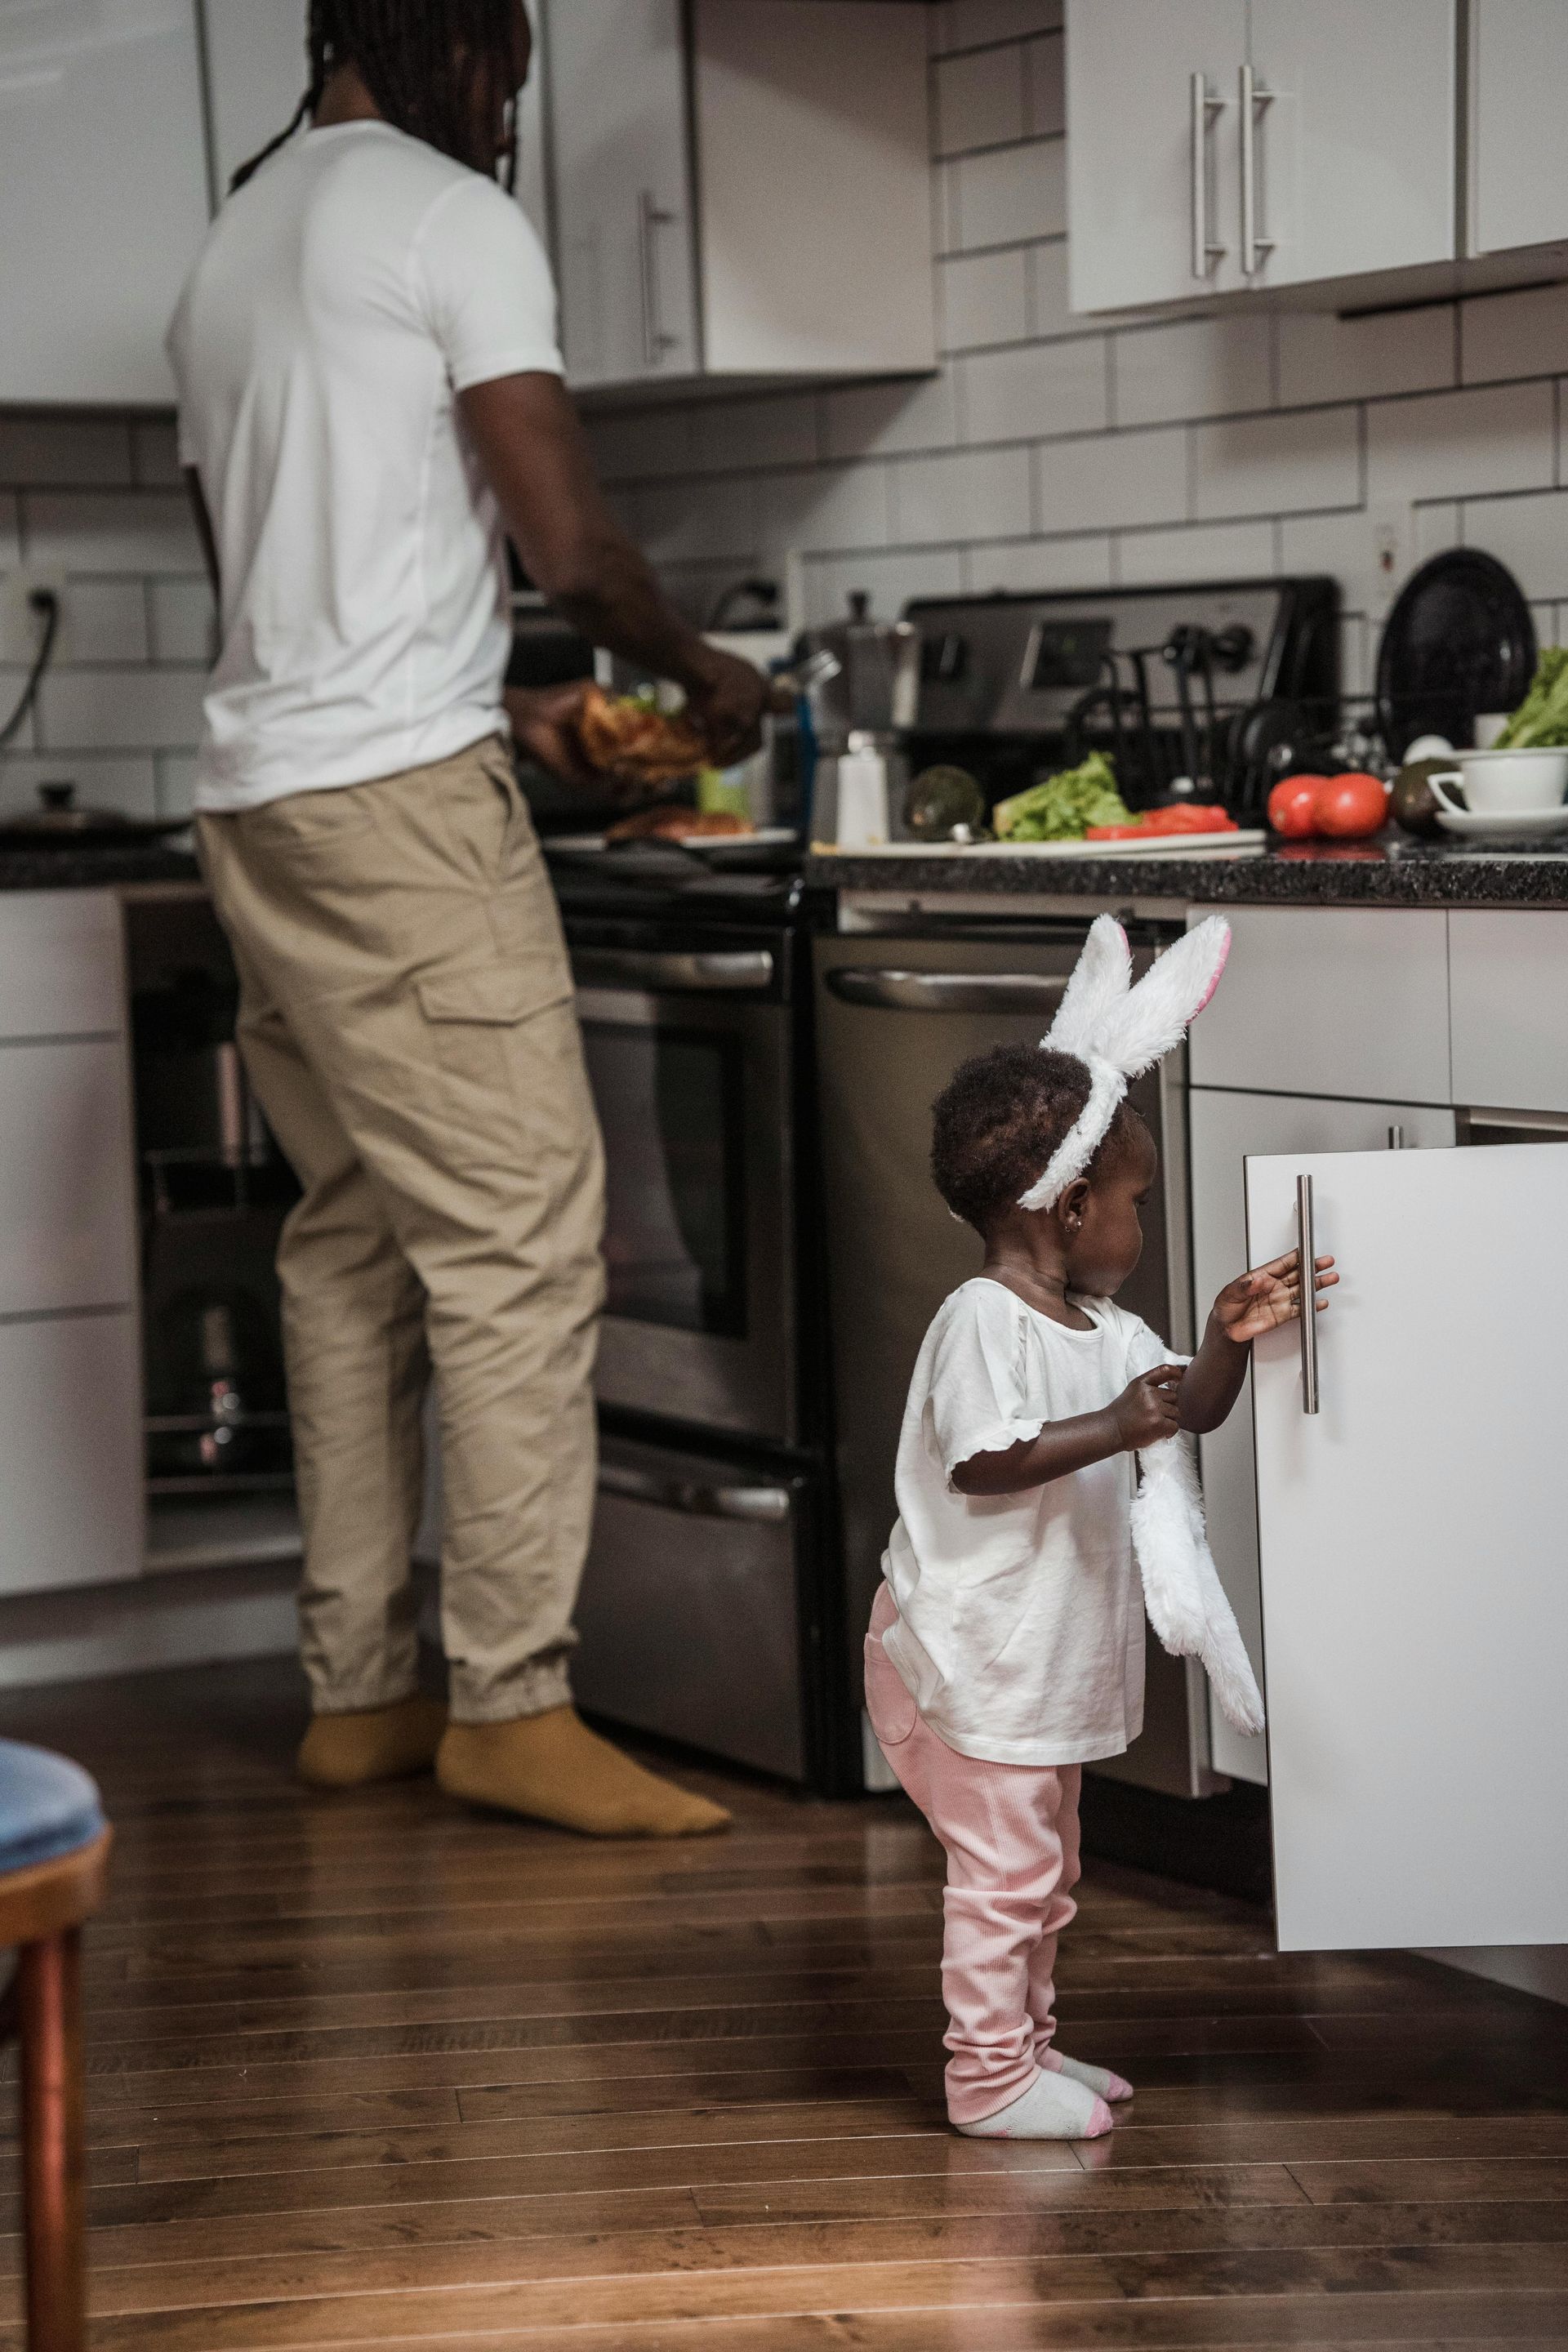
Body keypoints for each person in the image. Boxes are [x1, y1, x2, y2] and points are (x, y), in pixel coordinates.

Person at [166, 0, 768, 1838]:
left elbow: (281, 588)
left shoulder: (232, 244)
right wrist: (709, 676)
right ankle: (512, 1700)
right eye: (501, 63)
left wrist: (476, 702)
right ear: (442, 47)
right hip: (402, 821)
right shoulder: (445, 215)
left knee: (351, 1235)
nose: (509, 99)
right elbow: (570, 553)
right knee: (516, 1239)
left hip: (260, 800)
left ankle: (361, 1690)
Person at [863, 919, 1337, 2139]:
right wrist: (1116, 1427)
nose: (1140, 1223)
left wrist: (1229, 1335)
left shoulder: (1105, 1330)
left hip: (1034, 1661)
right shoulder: (984, 1321)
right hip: (968, 1655)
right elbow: (986, 1461)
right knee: (1008, 1877)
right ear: (1071, 1209)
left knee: (1046, 1875)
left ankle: (1028, 2054)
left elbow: (1186, 1414)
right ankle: (986, 2083)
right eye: (1132, 1201)